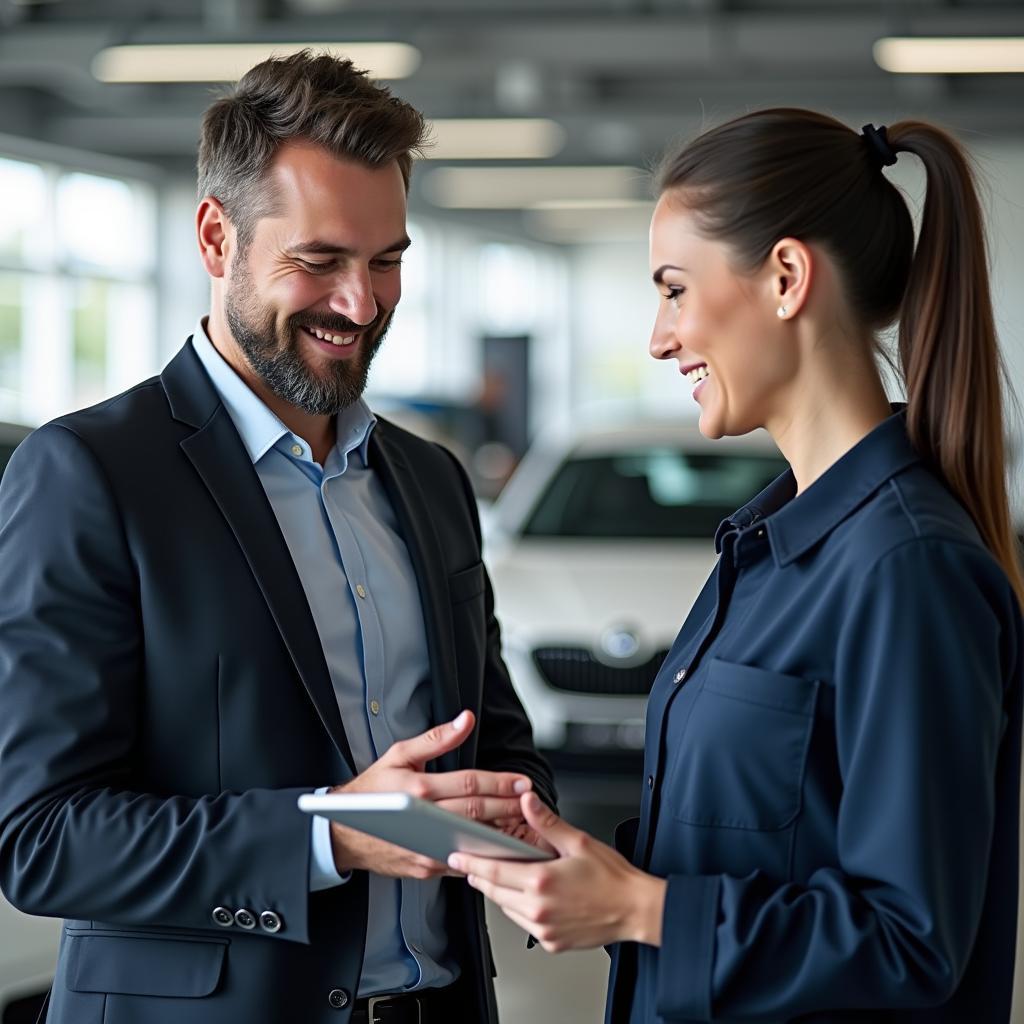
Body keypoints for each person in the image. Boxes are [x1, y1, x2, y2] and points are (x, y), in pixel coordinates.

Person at [0, 51, 555, 1024]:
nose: (362, 303)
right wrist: (330, 835)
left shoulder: (429, 481)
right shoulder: (90, 474)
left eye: (386, 261)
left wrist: (523, 825)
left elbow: (495, 740)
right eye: (320, 261)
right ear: (217, 237)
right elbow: (43, 837)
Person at [450, 108, 1024, 1022]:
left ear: (788, 277)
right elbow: (760, 849)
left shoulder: (907, 570)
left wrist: (645, 908)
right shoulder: (762, 547)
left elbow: (912, 943)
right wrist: (587, 871)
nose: (658, 336)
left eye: (674, 290)